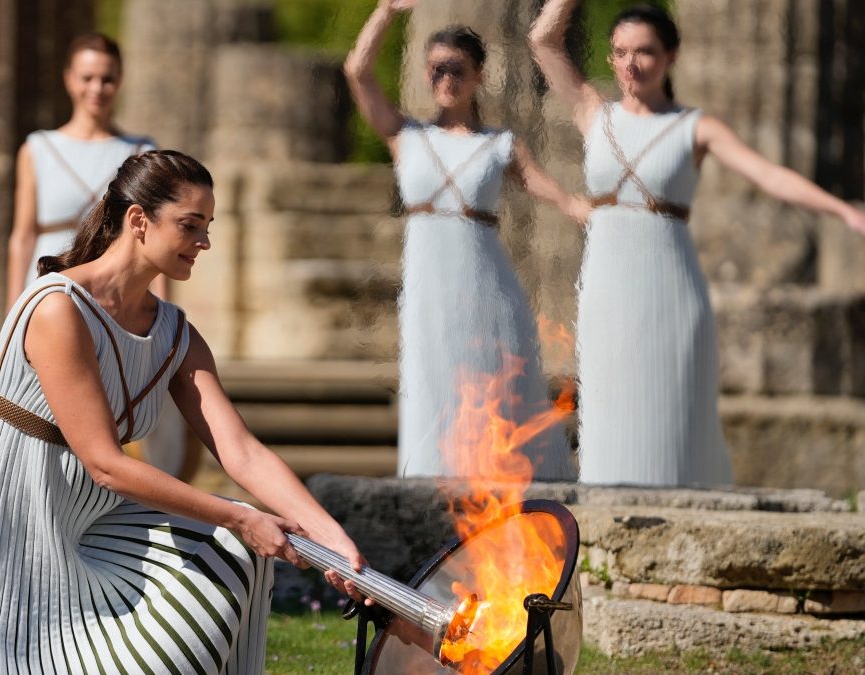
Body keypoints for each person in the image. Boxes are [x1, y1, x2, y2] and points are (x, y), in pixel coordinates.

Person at [0, 150, 366, 673]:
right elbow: (104, 464)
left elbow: (240, 450)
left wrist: (330, 536)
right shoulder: (58, 307)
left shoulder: (175, 333)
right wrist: (241, 516)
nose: (204, 242)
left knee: (232, 555)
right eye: (190, 225)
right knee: (233, 534)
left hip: (88, 530)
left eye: (208, 226)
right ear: (138, 221)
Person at [530, 2, 865, 486]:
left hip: (670, 287)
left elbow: (768, 174)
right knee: (609, 409)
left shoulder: (695, 127)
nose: (631, 64)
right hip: (606, 284)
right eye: (620, 53)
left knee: (670, 418)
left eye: (644, 52)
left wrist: (842, 210)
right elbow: (543, 39)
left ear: (671, 57)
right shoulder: (592, 114)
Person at [345, 0, 588, 479]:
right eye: (435, 69)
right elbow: (357, 70)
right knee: (431, 379)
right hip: (428, 285)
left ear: (478, 74)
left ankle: (503, 484)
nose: (445, 79)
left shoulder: (499, 143)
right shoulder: (406, 136)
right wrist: (386, 12)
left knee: (491, 380)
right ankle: (431, 489)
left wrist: (581, 208)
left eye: (456, 69)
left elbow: (542, 185)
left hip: (485, 282)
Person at [5, 32, 155, 309]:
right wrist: (14, 308)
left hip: (112, 291)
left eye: (107, 79)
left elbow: (151, 235)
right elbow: (23, 236)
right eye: (87, 78)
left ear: (119, 81)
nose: (96, 88)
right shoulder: (38, 148)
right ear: (69, 79)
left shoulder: (141, 151)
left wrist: (160, 310)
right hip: (45, 285)